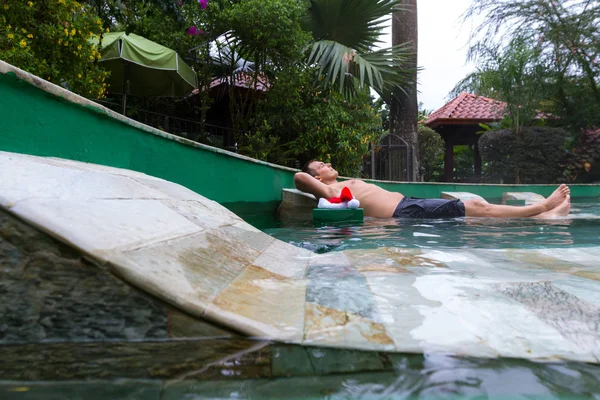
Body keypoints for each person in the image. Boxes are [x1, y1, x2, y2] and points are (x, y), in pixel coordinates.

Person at [294, 160, 571, 219]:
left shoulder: (343, 183)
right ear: (316, 174)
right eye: (322, 164)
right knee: (476, 207)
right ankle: (542, 207)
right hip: (402, 211)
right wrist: (311, 176)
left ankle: (542, 217)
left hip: (407, 204)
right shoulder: (331, 189)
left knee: (474, 217)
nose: (328, 163)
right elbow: (298, 177)